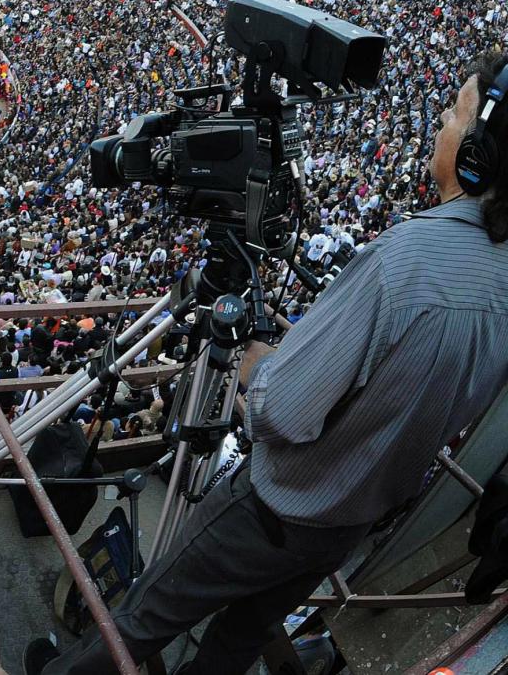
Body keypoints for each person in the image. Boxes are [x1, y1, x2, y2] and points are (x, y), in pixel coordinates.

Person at [28, 55, 508, 675]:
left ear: (480, 154)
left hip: (277, 506)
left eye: (455, 113)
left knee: (148, 616)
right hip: (349, 524)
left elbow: (281, 411)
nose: (440, 121)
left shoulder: (406, 260)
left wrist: (259, 365)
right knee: (239, 640)